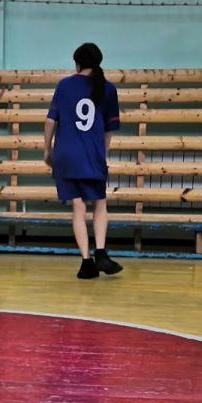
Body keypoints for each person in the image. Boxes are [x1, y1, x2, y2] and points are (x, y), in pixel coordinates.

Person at [44, 42, 123, 279]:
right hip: (92, 154)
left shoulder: (64, 85)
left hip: (66, 154)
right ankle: (101, 252)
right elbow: (109, 129)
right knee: (100, 203)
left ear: (77, 63)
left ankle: (86, 262)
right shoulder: (108, 88)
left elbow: (50, 121)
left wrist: (47, 150)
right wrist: (102, 153)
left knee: (78, 207)